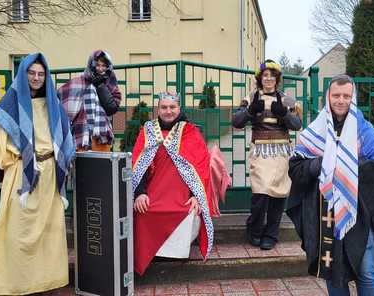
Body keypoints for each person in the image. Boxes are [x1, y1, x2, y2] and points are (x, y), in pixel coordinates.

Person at [287, 74, 374, 296]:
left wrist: (351, 164)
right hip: (324, 214)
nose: (341, 100)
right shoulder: (315, 131)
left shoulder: (364, 130)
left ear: (352, 99)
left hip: (359, 214)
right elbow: (296, 169)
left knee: (366, 272)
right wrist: (322, 164)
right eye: (336, 95)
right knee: (333, 272)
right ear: (328, 96)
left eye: (346, 96)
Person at [0, 53, 75, 295]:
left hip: (50, 178)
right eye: (31, 73)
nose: (36, 78)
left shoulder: (53, 104)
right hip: (22, 175)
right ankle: (14, 284)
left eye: (41, 74)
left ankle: (46, 282)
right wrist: (17, 164)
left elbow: (64, 137)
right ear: (23, 74)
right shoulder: (9, 104)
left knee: (49, 233)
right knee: (17, 231)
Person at [131, 91, 214, 275]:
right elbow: (139, 164)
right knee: (144, 211)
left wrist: (195, 197)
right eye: (164, 107)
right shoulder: (148, 130)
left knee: (187, 211)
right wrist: (140, 193)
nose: (168, 111)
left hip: (182, 192)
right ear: (158, 109)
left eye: (172, 107)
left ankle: (175, 253)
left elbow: (200, 167)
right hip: (155, 190)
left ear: (179, 108)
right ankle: (154, 253)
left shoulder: (191, 131)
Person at [232, 59, 302, 250]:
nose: (269, 78)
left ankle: (271, 234)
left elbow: (297, 125)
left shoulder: (287, 99)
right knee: (261, 192)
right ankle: (254, 229)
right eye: (265, 75)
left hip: (281, 150)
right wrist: (249, 111)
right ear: (260, 78)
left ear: (277, 78)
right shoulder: (251, 97)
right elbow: (236, 122)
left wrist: (284, 115)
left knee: (278, 194)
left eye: (272, 75)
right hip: (260, 149)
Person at [59, 49, 121, 152]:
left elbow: (112, 108)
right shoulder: (80, 81)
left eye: (104, 65)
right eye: (97, 65)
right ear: (91, 65)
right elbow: (61, 95)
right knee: (81, 166)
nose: (100, 69)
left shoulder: (111, 82)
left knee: (101, 166)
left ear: (108, 66)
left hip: (101, 137)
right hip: (81, 134)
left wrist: (100, 86)